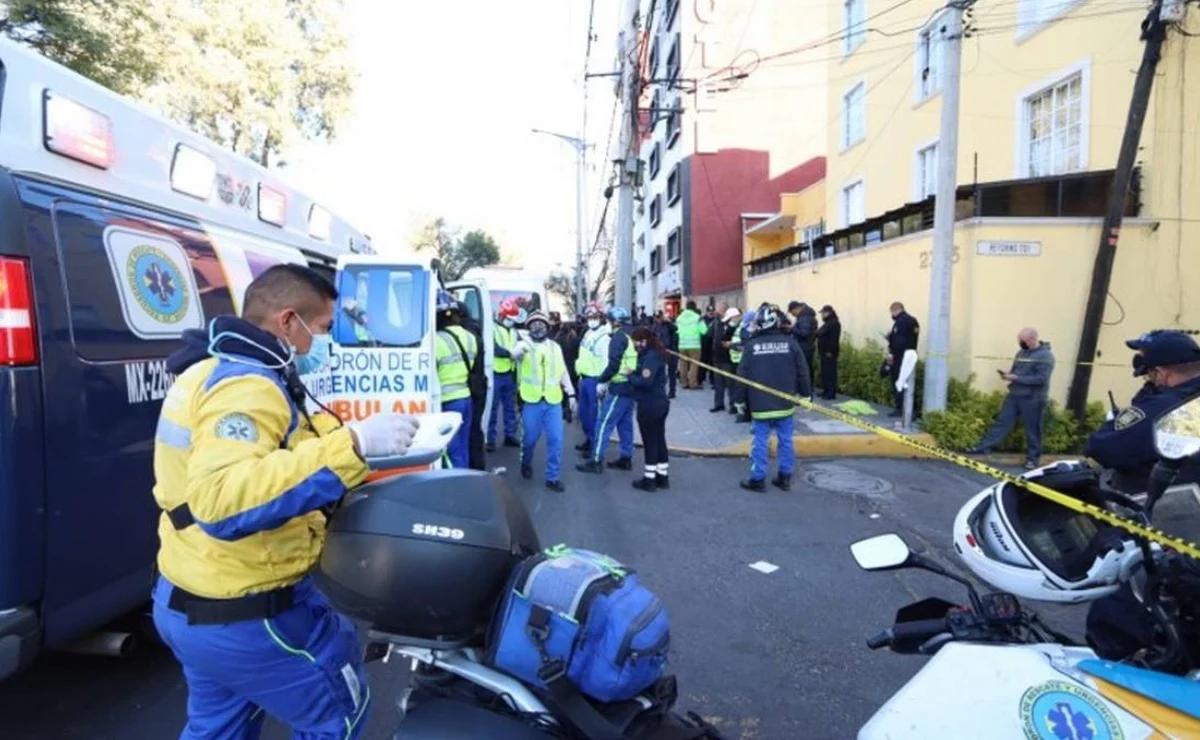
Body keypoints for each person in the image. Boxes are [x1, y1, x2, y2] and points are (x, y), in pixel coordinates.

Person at [151, 264, 418, 739]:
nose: (324, 342)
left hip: (188, 601)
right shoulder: (248, 386)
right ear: (287, 321)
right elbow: (221, 501)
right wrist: (352, 445)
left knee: (218, 729)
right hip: (246, 613)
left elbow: (273, 453)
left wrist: (358, 436)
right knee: (339, 715)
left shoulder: (211, 368)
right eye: (322, 329)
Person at [1085, 330, 1200, 492]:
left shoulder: (1164, 408)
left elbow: (1103, 448)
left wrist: (1123, 418)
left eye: (1148, 376)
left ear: (1161, 374)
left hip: (1162, 509)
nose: (1147, 382)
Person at [738, 303, 811, 493]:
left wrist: (739, 401)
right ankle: (785, 477)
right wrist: (806, 395)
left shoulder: (751, 346)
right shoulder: (790, 343)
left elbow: (741, 375)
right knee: (786, 440)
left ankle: (758, 479)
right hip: (785, 403)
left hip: (760, 405)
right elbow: (803, 371)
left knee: (760, 441)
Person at [968, 328, 1056, 469]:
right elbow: (1016, 370)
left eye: (1023, 341)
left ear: (1033, 339)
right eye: (1019, 340)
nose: (1020, 343)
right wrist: (1008, 375)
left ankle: (1033, 459)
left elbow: (1041, 379)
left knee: (1032, 430)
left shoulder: (1046, 356)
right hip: (1015, 395)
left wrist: (1017, 378)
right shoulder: (1021, 352)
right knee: (1002, 422)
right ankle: (983, 447)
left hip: (1033, 398)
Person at [512, 312, 576, 492]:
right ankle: (526, 462)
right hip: (531, 401)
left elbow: (562, 371)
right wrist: (518, 351)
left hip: (553, 400)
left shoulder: (555, 347)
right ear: (528, 328)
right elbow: (514, 354)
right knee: (529, 439)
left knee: (556, 439)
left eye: (541, 324)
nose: (537, 328)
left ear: (547, 328)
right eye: (533, 325)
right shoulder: (524, 345)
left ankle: (552, 477)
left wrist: (571, 393)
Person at [578, 306, 638, 473]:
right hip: (631, 386)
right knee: (625, 424)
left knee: (603, 424)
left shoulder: (618, 337)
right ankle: (626, 458)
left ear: (613, 321)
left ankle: (596, 460)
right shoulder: (632, 334)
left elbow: (613, 365)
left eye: (609, 320)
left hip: (619, 386)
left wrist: (602, 381)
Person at [434, 290, 477, 468]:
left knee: (451, 449)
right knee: (463, 446)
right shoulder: (470, 337)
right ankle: (464, 480)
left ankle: (456, 487)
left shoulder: (436, 340)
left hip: (447, 401)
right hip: (466, 398)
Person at [628, 326, 671, 491]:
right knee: (660, 440)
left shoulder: (651, 357)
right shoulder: (655, 354)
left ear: (644, 341)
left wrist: (630, 375)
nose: (635, 345)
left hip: (649, 405)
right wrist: (637, 370)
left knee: (650, 442)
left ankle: (649, 479)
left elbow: (645, 382)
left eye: (636, 342)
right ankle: (662, 476)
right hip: (660, 404)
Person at [574, 303, 611, 455]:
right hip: (584, 378)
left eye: (595, 317)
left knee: (594, 415)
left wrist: (603, 383)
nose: (591, 320)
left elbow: (606, 362)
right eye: (589, 317)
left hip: (595, 379)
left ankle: (595, 446)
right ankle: (589, 440)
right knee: (584, 414)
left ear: (601, 318)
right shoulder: (588, 333)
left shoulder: (604, 337)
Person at [487, 302, 521, 452]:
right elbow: (492, 348)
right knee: (492, 408)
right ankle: (490, 439)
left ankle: (509, 435)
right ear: (501, 315)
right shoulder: (492, 329)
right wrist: (509, 354)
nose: (511, 321)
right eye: (509, 318)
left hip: (509, 373)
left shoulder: (513, 330)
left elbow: (521, 343)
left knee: (510, 408)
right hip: (495, 373)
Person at [460, 302, 489, 471]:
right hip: (479, 385)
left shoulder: (467, 333)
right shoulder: (475, 330)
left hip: (472, 387)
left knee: (470, 431)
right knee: (475, 429)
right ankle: (477, 466)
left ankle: (473, 467)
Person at [884, 301, 920, 417]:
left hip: (900, 357)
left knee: (898, 381)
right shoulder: (913, 321)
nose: (892, 315)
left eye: (892, 312)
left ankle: (900, 409)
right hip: (911, 356)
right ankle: (910, 409)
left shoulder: (900, 322)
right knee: (908, 383)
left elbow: (898, 342)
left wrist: (891, 345)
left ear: (896, 310)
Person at [710, 306, 741, 413]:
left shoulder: (737, 327)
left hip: (728, 359)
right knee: (719, 384)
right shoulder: (719, 323)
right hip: (718, 358)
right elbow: (712, 336)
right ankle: (718, 404)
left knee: (730, 384)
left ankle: (733, 405)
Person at [731, 309, 756, 423]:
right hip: (744, 362)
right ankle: (744, 413)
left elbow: (746, 346)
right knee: (742, 389)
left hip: (749, 363)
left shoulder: (752, 330)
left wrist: (735, 346)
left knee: (748, 390)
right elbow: (743, 344)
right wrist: (735, 346)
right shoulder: (744, 329)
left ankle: (747, 414)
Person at [675, 300, 707, 389]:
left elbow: (677, 330)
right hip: (694, 345)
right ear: (695, 307)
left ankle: (684, 383)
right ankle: (693, 383)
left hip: (682, 344)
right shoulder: (697, 317)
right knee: (694, 364)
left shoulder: (679, 318)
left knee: (683, 364)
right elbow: (704, 331)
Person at [788, 301, 818, 391]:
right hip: (807, 346)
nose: (793, 315)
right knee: (807, 367)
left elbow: (804, 333)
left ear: (797, 308)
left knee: (804, 368)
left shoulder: (805, 318)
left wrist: (791, 329)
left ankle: (806, 388)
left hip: (804, 347)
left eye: (793, 313)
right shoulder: (805, 316)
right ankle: (808, 387)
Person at [652, 310, 679, 399]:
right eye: (657, 318)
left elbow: (675, 329)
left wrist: (668, 322)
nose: (658, 319)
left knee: (672, 372)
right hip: (660, 352)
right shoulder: (655, 326)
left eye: (660, 317)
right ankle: (660, 390)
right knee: (660, 373)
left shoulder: (669, 325)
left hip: (671, 351)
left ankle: (672, 391)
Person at [816, 305, 841, 400]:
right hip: (824, 352)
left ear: (828, 313)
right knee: (825, 373)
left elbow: (833, 340)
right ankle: (826, 391)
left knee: (830, 373)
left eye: (823, 313)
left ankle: (830, 393)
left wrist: (830, 351)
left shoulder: (834, 323)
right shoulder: (828, 323)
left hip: (829, 353)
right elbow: (819, 333)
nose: (822, 315)